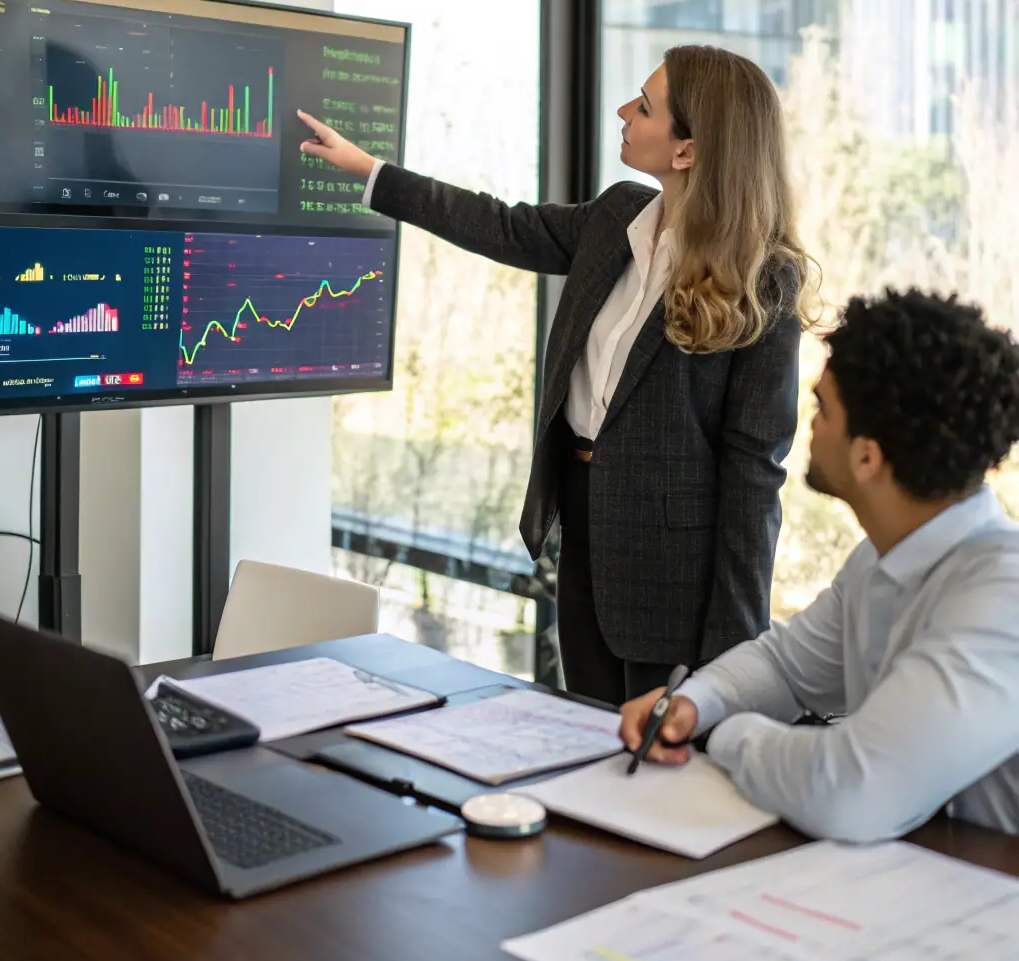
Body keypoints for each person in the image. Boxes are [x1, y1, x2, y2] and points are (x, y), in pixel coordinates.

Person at [298, 44, 813, 705]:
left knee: (659, 772)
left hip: (676, 577)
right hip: (585, 528)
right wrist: (373, 174)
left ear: (687, 150)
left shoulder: (766, 276)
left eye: (646, 106)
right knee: (590, 738)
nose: (625, 111)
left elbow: (753, 473)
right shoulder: (617, 216)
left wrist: (735, 658)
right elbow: (503, 225)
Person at [620, 288, 1019, 842]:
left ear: (867, 457)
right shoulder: (885, 558)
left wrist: (729, 735)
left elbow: (853, 792)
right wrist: (693, 703)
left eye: (823, 409)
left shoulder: (1004, 594)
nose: (809, 425)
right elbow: (787, 665)